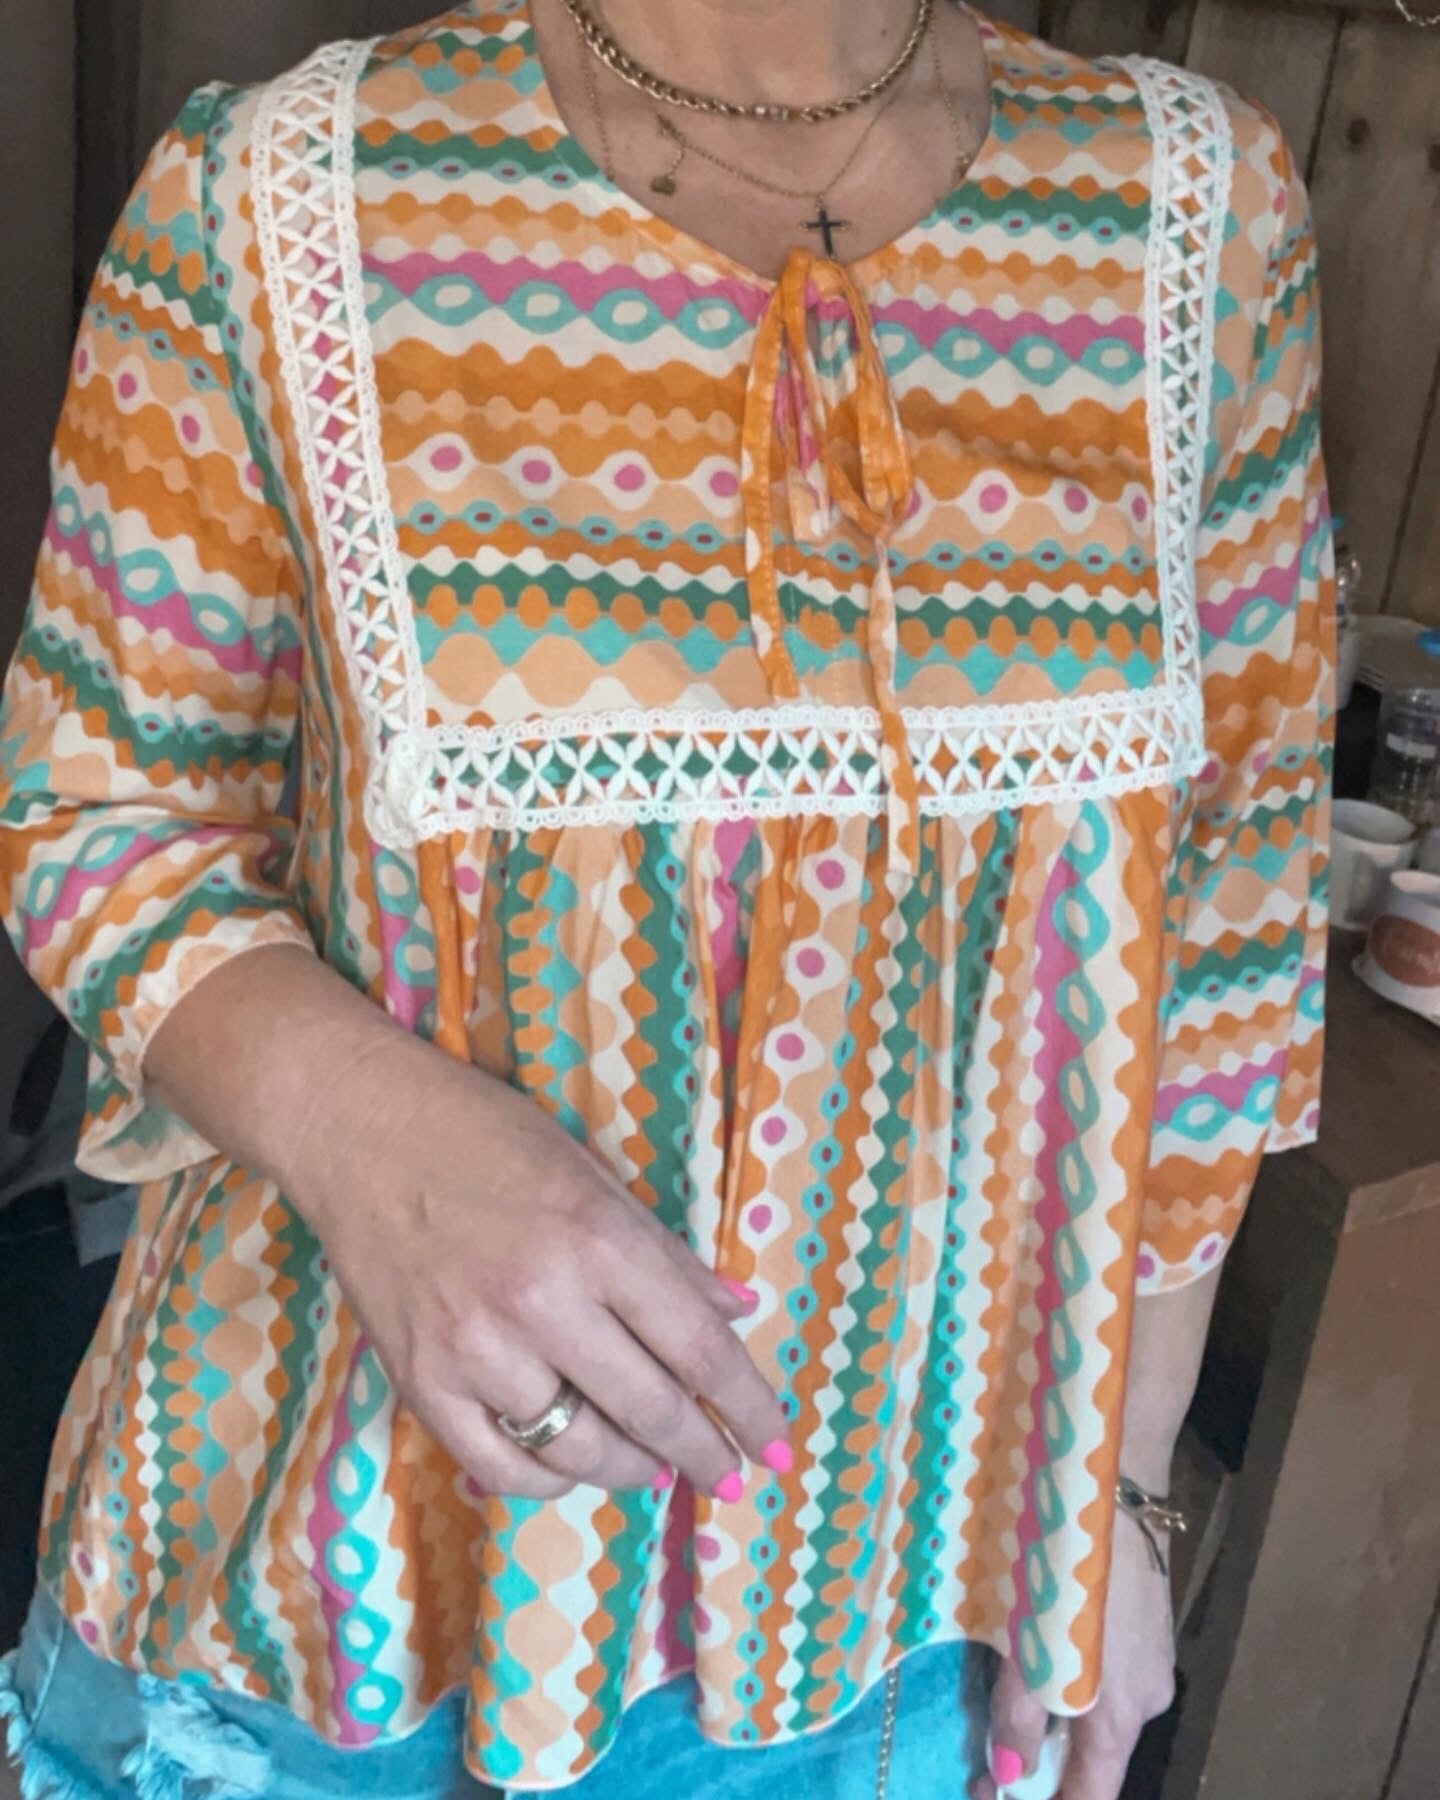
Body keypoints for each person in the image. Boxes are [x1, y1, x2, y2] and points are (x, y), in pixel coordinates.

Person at [0, 0, 1334, 1795]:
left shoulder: (1203, 209)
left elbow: (1232, 919)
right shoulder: (272, 191)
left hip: (905, 1634)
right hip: (334, 1614)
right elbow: (98, 813)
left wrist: (1122, 1491)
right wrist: (372, 1134)